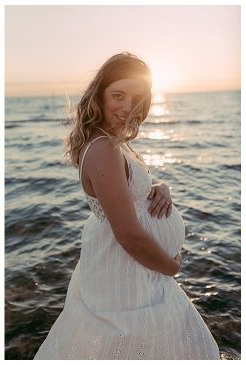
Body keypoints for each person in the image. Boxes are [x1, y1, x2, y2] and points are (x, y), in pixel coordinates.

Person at [35, 53, 218, 359]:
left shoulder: (111, 139)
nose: (127, 106)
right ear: (100, 94)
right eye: (118, 95)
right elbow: (128, 234)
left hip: (129, 267)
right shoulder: (103, 148)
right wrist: (170, 267)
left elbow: (127, 189)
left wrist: (161, 188)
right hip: (126, 267)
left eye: (136, 97)